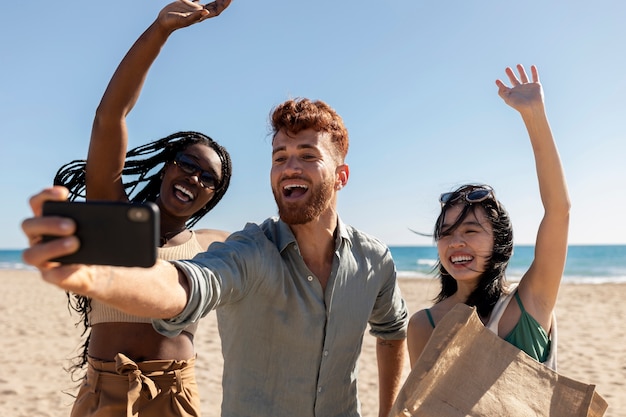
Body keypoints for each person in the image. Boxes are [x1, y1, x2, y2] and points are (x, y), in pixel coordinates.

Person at [22, 97, 409, 417]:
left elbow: (392, 332)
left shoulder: (375, 260)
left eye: (307, 155)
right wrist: (99, 276)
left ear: (341, 176)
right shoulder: (251, 251)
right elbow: (186, 283)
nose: (289, 166)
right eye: (279, 157)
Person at [52, 1, 233, 416]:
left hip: (174, 394)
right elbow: (109, 116)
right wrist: (159, 31)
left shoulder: (214, 244)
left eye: (210, 180)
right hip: (103, 389)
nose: (195, 179)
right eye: (189, 165)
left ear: (214, 196)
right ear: (168, 165)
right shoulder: (115, 217)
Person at [407, 64, 569, 371]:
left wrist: (534, 115)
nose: (455, 242)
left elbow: (558, 210)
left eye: (470, 231)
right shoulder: (423, 326)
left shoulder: (530, 302)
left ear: (499, 242)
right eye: (446, 233)